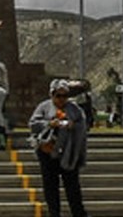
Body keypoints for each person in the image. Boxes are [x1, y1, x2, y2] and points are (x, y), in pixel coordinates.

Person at [29, 78, 89, 217]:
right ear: (52, 95)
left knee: (73, 187)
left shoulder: (75, 110)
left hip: (69, 153)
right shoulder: (43, 107)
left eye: (65, 96)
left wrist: (73, 126)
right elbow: (33, 124)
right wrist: (50, 124)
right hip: (48, 153)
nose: (61, 99)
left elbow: (82, 126)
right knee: (51, 188)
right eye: (58, 96)